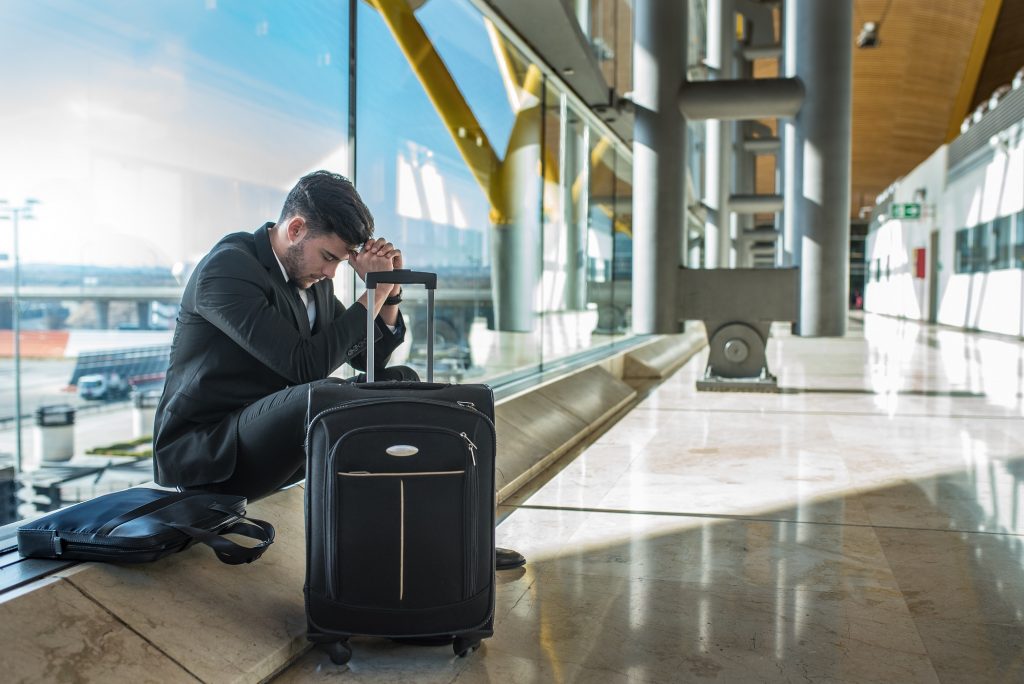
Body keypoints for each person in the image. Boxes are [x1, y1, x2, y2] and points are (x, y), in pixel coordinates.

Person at [153, 170, 525, 571]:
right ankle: (410, 547)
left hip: (274, 438)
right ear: (296, 228)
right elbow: (304, 366)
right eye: (329, 257)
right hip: (210, 451)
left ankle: (452, 539)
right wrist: (372, 292)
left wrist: (390, 292)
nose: (332, 273)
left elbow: (368, 359)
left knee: (403, 384)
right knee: (324, 396)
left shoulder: (312, 281)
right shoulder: (227, 271)